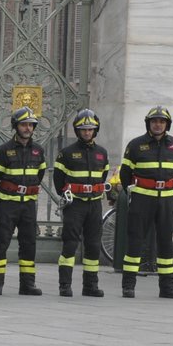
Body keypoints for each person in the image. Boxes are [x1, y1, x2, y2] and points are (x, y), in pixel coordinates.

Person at [119, 105, 173, 298]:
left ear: (167, 125)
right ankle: (128, 285)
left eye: (162, 121)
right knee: (135, 241)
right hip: (142, 199)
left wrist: (170, 185)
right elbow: (125, 174)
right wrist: (134, 192)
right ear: (148, 123)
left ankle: (167, 287)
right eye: (154, 121)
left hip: (166, 200)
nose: (158, 125)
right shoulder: (135, 145)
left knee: (166, 242)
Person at [0, 106, 47, 295]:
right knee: (2, 242)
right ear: (16, 126)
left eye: (30, 125)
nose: (27, 128)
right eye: (24, 124)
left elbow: (40, 174)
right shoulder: (4, 150)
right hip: (8, 204)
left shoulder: (39, 151)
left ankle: (27, 284)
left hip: (28, 204)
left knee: (29, 243)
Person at [52, 109, 110, 298]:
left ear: (95, 130)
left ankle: (90, 286)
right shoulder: (66, 153)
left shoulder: (102, 153)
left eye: (90, 129)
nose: (87, 132)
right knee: (70, 244)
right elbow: (58, 180)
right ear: (77, 131)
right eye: (83, 129)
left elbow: (103, 175)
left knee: (93, 244)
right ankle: (64, 285)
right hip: (75, 205)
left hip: (94, 204)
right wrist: (68, 194)